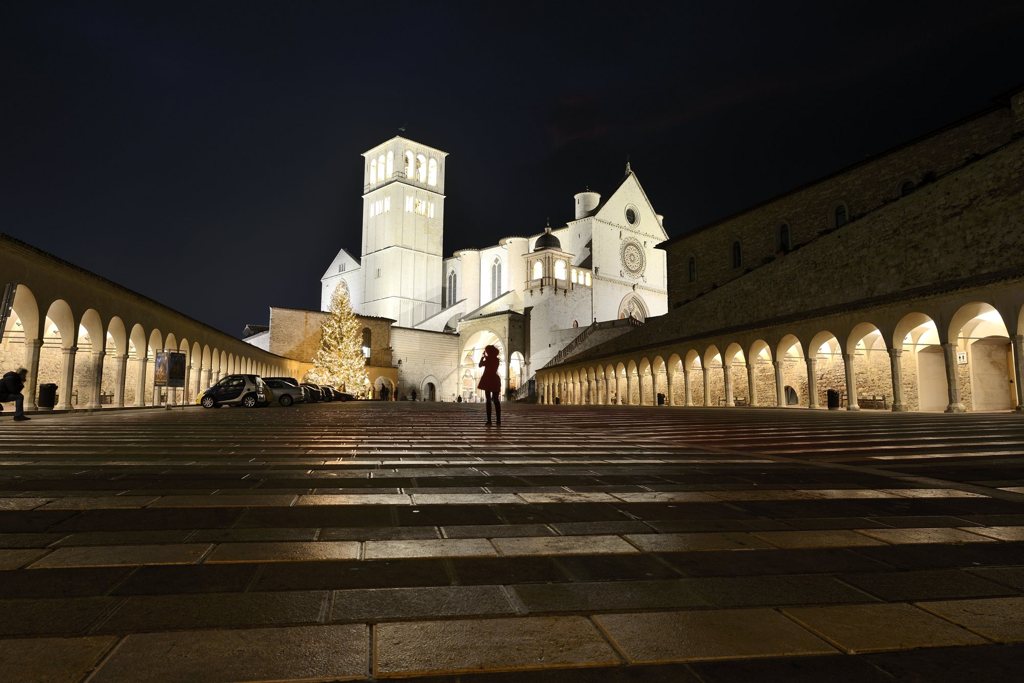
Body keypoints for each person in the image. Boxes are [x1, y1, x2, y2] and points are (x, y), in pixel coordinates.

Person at [477, 345, 501, 425]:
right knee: (496, 400)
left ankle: (489, 421)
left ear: (489, 352)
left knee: (488, 401)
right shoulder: (497, 360)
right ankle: (498, 420)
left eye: (486, 351)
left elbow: (480, 365)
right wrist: (485, 357)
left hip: (487, 379)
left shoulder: (487, 359)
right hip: (495, 379)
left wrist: (483, 357)